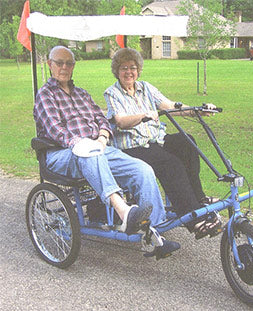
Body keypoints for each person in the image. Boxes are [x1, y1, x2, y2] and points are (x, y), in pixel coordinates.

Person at [33, 45, 180, 258]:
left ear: (73, 66)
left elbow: (102, 118)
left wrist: (102, 137)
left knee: (142, 169)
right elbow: (56, 130)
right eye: (59, 63)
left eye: (69, 63)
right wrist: (82, 144)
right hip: (61, 153)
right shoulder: (45, 95)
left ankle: (154, 234)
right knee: (88, 151)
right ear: (50, 65)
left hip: (98, 147)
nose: (64, 67)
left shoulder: (81, 94)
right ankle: (124, 211)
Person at [104, 48, 221, 238]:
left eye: (132, 67)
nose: (128, 72)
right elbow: (120, 121)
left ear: (139, 70)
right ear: (116, 71)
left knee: (187, 142)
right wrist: (143, 116)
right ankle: (194, 220)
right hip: (132, 148)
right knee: (170, 164)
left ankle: (199, 199)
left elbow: (170, 106)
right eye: (123, 68)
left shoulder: (146, 88)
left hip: (155, 140)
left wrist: (196, 111)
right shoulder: (112, 93)